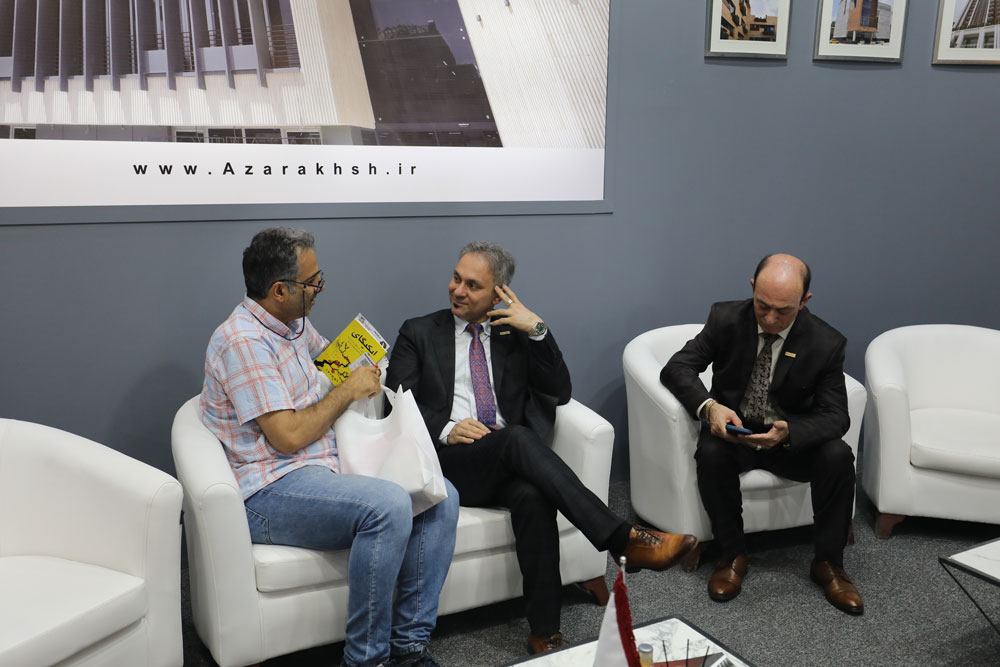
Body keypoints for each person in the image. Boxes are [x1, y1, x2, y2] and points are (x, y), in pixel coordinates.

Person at [385, 241, 698, 655]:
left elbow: (559, 391)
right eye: (456, 279)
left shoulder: (513, 335)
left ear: (498, 293)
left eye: (473, 285)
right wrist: (446, 427)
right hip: (450, 461)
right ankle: (622, 538)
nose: (458, 290)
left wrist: (537, 331)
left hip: (508, 462)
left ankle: (545, 632)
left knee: (532, 495)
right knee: (517, 437)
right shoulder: (419, 332)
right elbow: (396, 400)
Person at [201, 227, 460, 667]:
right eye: (312, 282)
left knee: (442, 495)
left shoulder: (293, 325)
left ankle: (409, 647)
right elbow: (287, 437)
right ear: (279, 290)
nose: (320, 288)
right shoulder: (242, 342)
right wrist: (347, 390)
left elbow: (331, 365)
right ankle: (365, 659)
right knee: (388, 506)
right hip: (269, 488)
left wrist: (362, 365)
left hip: (325, 465)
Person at [660, 253, 863, 615]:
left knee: (838, 455)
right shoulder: (725, 318)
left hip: (787, 440)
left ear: (804, 301)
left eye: (783, 311)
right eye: (762, 306)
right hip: (735, 433)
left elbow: (837, 416)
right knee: (711, 453)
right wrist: (710, 407)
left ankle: (828, 563)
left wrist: (790, 432)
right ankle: (731, 554)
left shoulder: (826, 341)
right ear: (752, 288)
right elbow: (677, 368)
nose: (769, 319)